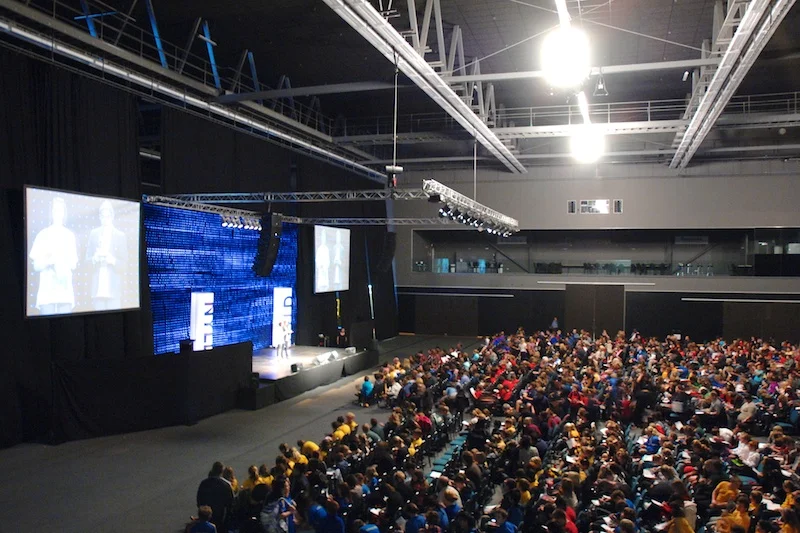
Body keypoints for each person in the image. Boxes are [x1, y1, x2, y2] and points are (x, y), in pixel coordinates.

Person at [29, 196, 78, 315]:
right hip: (47, 293)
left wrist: (62, 260)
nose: (57, 213)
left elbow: (73, 264)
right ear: (51, 212)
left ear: (64, 213)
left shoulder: (69, 236)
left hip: (64, 292)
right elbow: (36, 266)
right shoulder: (42, 234)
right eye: (55, 210)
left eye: (60, 210)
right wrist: (49, 261)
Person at [86, 200, 128, 311]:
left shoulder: (120, 236)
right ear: (99, 217)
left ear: (112, 216)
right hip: (97, 291)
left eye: (107, 216)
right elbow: (86, 262)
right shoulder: (94, 234)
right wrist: (94, 259)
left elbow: (125, 265)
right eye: (102, 216)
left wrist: (112, 260)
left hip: (113, 292)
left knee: (115, 320)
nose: (105, 219)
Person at [196, 461, 233, 532]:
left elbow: (199, 499)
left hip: (205, 515)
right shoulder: (226, 485)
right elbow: (230, 503)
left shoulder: (204, 483)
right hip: (220, 516)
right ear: (222, 471)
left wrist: (202, 511)